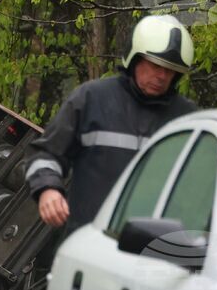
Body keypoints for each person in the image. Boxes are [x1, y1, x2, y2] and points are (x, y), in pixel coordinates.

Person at [27, 14, 197, 234]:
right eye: (155, 65)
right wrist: (47, 189)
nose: (162, 76)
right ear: (135, 58)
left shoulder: (187, 119)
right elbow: (46, 153)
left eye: (170, 70)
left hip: (156, 252)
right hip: (89, 242)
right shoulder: (91, 99)